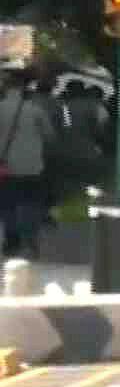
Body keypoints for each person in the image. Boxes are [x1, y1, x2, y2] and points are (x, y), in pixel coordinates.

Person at [0, 70, 57, 259]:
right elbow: (49, 136)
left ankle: (11, 242)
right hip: (33, 166)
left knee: (8, 205)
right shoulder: (35, 110)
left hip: (6, 167)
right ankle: (30, 242)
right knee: (31, 203)